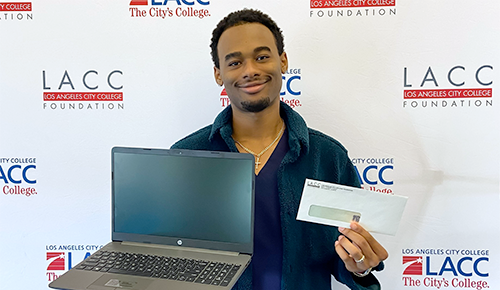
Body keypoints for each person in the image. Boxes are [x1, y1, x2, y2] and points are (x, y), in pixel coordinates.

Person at [171, 8, 388, 290]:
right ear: (218, 74)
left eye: (262, 57)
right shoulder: (186, 156)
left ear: (283, 61)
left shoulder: (328, 157)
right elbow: (171, 257)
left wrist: (358, 266)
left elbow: (343, 258)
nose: (250, 71)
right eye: (235, 62)